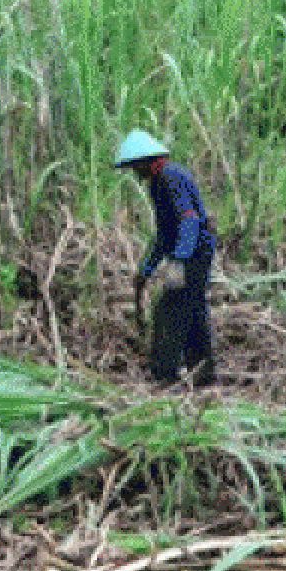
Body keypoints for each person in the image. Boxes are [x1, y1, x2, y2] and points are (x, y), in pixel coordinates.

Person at [115, 130, 215, 386]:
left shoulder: (171, 178)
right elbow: (164, 234)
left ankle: (165, 375)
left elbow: (189, 221)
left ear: (146, 161)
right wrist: (146, 269)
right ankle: (203, 374)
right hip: (189, 252)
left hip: (195, 254)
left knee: (169, 310)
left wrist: (179, 261)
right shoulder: (159, 182)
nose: (135, 174)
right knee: (192, 309)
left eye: (135, 167)